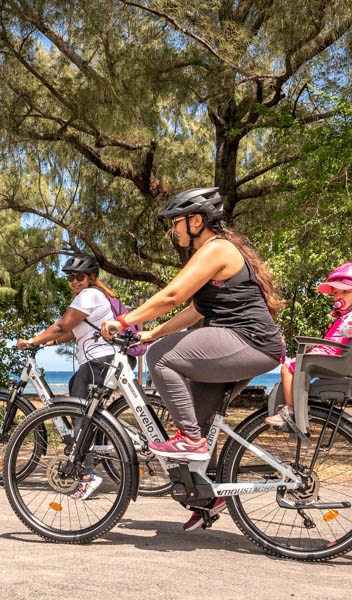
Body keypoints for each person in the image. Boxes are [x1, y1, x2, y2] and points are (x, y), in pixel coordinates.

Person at [100, 187, 285, 531]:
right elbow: (197, 309)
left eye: (176, 223)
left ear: (196, 220)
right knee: (197, 417)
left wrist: (124, 320)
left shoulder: (217, 250)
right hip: (241, 344)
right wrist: (152, 332)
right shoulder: (212, 253)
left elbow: (172, 295)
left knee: (161, 358)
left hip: (249, 341)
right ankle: (208, 495)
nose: (174, 231)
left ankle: (192, 441)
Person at [16, 253, 117, 500]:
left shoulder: (89, 295)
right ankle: (85, 462)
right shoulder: (92, 296)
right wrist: (47, 343)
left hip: (97, 362)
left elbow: (63, 325)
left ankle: (87, 475)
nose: (74, 281)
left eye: (79, 276)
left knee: (82, 419)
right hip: (97, 362)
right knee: (79, 407)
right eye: (70, 277)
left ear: (92, 277)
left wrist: (32, 340)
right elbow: (71, 333)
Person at [265, 262, 352, 427]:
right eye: (335, 293)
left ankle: (290, 410)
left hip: (334, 357)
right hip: (332, 355)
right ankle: (293, 405)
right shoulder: (347, 315)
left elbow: (347, 332)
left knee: (288, 366)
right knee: (292, 366)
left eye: (345, 291)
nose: (338, 296)